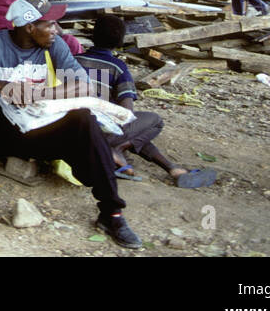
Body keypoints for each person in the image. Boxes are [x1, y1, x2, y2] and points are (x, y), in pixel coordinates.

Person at [0, 0, 142, 249]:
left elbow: (84, 85)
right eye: (49, 24)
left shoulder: (54, 45)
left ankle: (112, 214)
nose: (56, 30)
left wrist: (39, 94)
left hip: (39, 136)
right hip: (0, 135)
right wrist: (2, 85)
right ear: (29, 27)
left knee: (84, 118)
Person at [77, 15, 217, 187]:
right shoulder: (117, 67)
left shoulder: (73, 60)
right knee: (153, 122)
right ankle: (117, 149)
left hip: (75, 130)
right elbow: (126, 113)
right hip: (100, 133)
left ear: (93, 36)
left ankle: (172, 169)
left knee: (137, 133)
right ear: (120, 41)